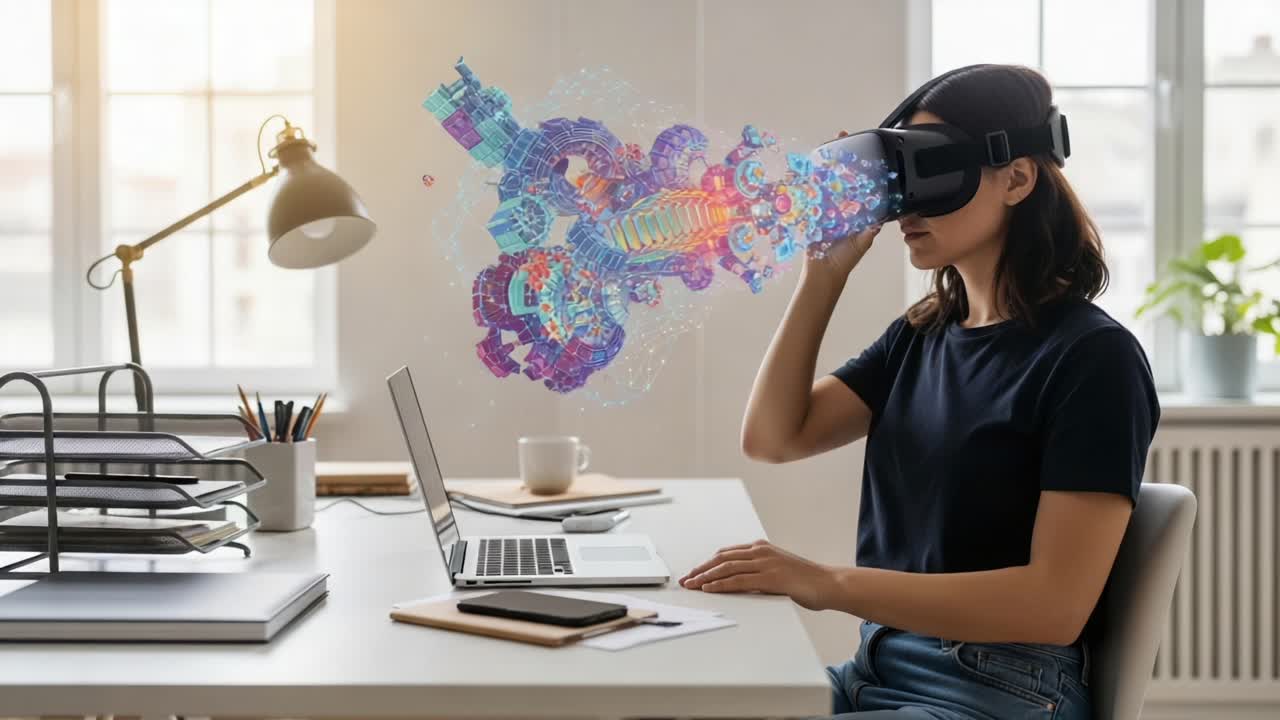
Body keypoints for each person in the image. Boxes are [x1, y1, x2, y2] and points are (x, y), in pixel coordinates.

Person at [680, 64, 1159, 719]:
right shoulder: (922, 336)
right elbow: (774, 437)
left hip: (999, 690)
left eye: (927, 169)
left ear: (1017, 178)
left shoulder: (1093, 359)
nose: (904, 207)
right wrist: (823, 273)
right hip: (877, 667)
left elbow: (1055, 604)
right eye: (896, 178)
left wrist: (825, 584)